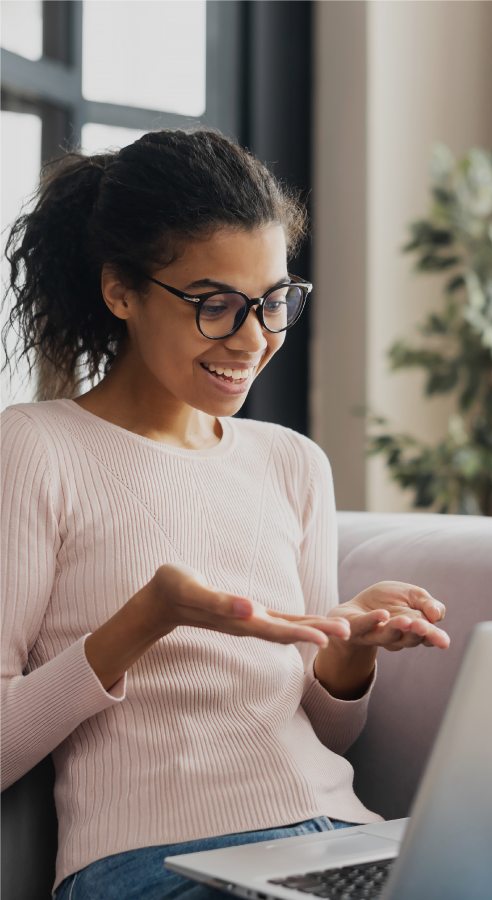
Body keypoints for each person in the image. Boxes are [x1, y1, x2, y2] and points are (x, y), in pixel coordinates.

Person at [0, 130, 449, 900]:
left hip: (340, 837)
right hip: (152, 862)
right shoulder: (37, 446)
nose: (253, 338)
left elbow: (329, 730)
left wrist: (351, 648)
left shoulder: (292, 462)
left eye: (274, 302)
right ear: (121, 292)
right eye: (216, 305)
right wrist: (150, 615)